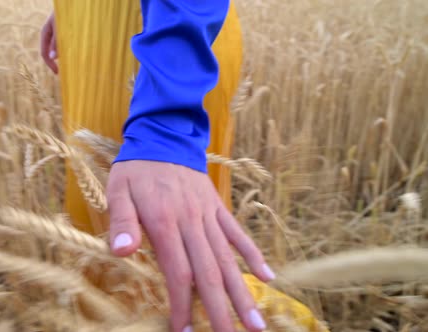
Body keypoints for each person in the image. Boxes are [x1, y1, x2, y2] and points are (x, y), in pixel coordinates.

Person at [40, 1, 275, 332]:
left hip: (162, 56)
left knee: (151, 276)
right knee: (102, 249)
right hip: (96, 34)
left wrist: (166, 125)